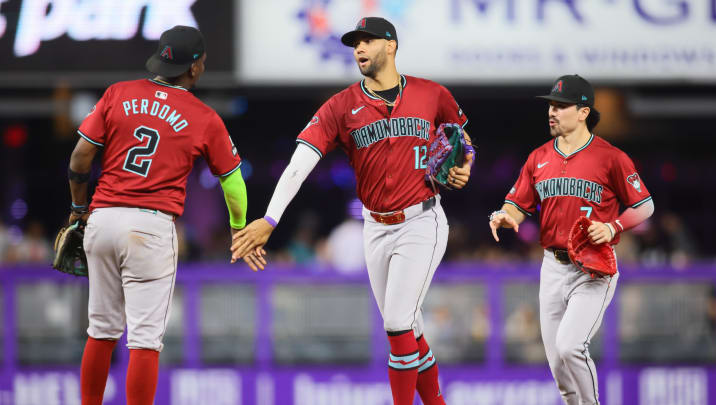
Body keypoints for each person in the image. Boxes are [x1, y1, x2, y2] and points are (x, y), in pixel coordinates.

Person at [231, 17, 473, 405]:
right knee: (409, 326)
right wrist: (271, 218)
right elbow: (299, 163)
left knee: (396, 323)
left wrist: (465, 164)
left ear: (390, 45)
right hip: (374, 227)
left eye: (368, 41)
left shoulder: (432, 94)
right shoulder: (342, 106)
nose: (359, 48)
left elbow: (461, 139)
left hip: (422, 220)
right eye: (354, 43)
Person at [66, 26, 251, 405]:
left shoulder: (118, 93)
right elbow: (233, 185)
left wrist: (78, 211)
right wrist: (238, 228)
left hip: (102, 217)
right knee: (145, 339)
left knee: (101, 329)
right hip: (150, 225)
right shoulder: (203, 116)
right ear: (195, 67)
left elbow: (80, 157)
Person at [489, 74, 654, 405]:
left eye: (561, 105)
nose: (552, 111)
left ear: (583, 112)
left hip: (592, 267)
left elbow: (644, 205)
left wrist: (613, 227)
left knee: (570, 346)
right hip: (552, 266)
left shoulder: (610, 157)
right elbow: (518, 205)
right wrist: (507, 215)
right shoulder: (538, 157)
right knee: (558, 367)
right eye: (551, 104)